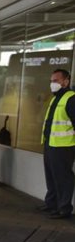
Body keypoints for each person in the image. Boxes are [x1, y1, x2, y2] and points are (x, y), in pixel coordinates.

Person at [38, 69, 75, 219]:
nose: (52, 84)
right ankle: (51, 204)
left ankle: (64, 208)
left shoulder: (71, 98)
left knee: (63, 177)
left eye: (56, 81)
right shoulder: (55, 98)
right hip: (50, 143)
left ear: (66, 81)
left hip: (63, 146)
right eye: (51, 81)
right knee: (51, 176)